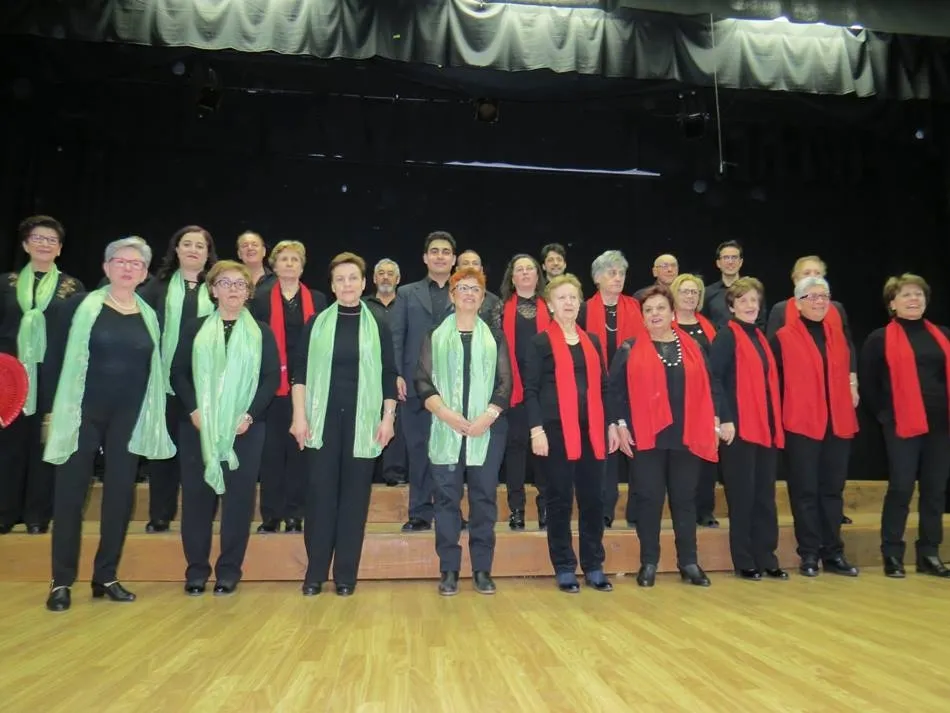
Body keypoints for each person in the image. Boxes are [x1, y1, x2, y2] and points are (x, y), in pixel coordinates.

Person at [42, 237, 173, 612]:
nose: (128, 268)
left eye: (136, 264)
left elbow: (152, 370)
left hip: (127, 418)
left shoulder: (150, 316)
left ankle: (106, 576)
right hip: (81, 413)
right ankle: (61, 581)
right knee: (70, 495)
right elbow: (54, 360)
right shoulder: (78, 307)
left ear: (144, 273)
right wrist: (51, 412)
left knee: (119, 496)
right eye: (120, 261)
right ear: (106, 267)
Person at [291, 253, 397, 596]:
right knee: (320, 498)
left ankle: (346, 575)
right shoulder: (316, 323)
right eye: (340, 279)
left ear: (363, 283)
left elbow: (388, 374)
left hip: (363, 423)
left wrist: (388, 419)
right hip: (320, 422)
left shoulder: (378, 324)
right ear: (332, 286)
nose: (347, 284)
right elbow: (300, 373)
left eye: (353, 278)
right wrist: (298, 416)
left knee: (354, 501)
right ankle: (315, 573)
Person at [172, 260, 279, 596]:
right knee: (197, 500)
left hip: (244, 429)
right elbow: (178, 372)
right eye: (225, 283)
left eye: (240, 284)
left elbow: (270, 378)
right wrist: (193, 409)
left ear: (248, 292)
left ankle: (229, 570)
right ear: (213, 290)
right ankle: (196, 571)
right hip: (198, 427)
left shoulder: (261, 332)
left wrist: (249, 415)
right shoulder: (194, 328)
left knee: (238, 503)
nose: (233, 289)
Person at [610, 285, 717, 587]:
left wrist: (715, 421)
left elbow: (711, 386)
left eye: (660, 308)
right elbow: (614, 392)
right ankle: (649, 563)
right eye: (648, 310)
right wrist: (619, 424)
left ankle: (689, 562)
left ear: (672, 313)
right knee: (649, 500)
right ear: (642, 317)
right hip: (646, 437)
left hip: (687, 434)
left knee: (685, 499)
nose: (655, 314)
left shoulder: (694, 347)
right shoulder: (629, 348)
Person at [415, 267, 512, 595]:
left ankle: (482, 569)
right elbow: (422, 381)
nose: (469, 294)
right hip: (446, 428)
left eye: (475, 289)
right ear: (452, 295)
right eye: (463, 288)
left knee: (484, 499)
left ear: (483, 298)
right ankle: (449, 570)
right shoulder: (434, 335)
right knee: (446, 500)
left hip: (487, 430)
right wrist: (446, 414)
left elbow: (505, 382)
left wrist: (488, 416)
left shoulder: (495, 336)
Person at [524, 274, 617, 593]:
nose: (568, 303)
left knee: (593, 500)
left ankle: (594, 565)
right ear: (550, 305)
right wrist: (536, 429)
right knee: (559, 500)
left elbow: (604, 387)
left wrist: (611, 424)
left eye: (573, 297)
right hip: (554, 433)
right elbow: (531, 390)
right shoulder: (539, 343)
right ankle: (564, 565)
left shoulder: (592, 341)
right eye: (561, 298)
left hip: (592, 433)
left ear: (580, 303)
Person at [859, 273, 950, 578]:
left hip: (942, 424)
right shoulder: (879, 338)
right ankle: (892, 553)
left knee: (935, 490)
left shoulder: (943, 334)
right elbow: (869, 383)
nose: (914, 299)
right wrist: (885, 416)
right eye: (906, 295)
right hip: (902, 425)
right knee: (901, 488)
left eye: (918, 294)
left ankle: (929, 553)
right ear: (892, 303)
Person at [0, 215, 84, 535]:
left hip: (53, 375)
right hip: (8, 377)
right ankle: (5, 512)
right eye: (38, 238)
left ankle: (37, 515)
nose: (44, 244)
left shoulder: (72, 288)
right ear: (25, 244)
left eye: (51, 240)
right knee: (8, 444)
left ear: (60, 248)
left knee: (44, 445)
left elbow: (78, 336)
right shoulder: (5, 284)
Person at [772, 276, 859, 577]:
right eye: (812, 296)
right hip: (802, 424)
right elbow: (774, 383)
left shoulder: (838, 336)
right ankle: (809, 553)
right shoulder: (783, 337)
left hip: (837, 424)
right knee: (805, 492)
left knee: (832, 491)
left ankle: (833, 552)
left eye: (824, 296)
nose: (820, 302)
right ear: (797, 303)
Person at [139, 226, 218, 533]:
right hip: (165, 384)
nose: (193, 250)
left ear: (208, 253)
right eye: (187, 244)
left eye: (200, 245)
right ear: (176, 249)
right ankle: (160, 514)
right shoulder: (157, 286)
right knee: (164, 451)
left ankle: (201, 515)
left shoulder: (218, 286)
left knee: (203, 453)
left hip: (206, 386)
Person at [709, 277, 788, 580]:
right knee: (742, 497)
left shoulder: (761, 338)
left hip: (765, 428)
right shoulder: (726, 336)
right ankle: (744, 560)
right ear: (732, 306)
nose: (750, 305)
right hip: (738, 430)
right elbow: (715, 380)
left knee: (765, 497)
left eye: (754, 300)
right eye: (743, 300)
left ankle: (767, 557)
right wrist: (725, 418)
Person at [249, 240, 327, 534]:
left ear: (302, 267)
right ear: (274, 265)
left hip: (307, 384)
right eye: (284, 259)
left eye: (295, 260)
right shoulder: (259, 299)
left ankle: (295, 514)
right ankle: (271, 515)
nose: (290, 264)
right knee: (271, 453)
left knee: (299, 452)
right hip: (271, 385)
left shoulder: (317, 299)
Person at [390, 231, 457, 532]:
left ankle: (450, 511)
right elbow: (397, 336)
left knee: (451, 452)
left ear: (453, 259)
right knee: (418, 450)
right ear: (425, 258)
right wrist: (397, 374)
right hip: (414, 383)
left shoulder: (464, 292)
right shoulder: (407, 293)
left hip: (453, 385)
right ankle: (419, 512)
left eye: (446, 252)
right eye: (435, 251)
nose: (440, 256)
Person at [580, 250, 643, 528]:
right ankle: (604, 510)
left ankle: (637, 511)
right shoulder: (584, 310)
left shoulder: (636, 307)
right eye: (612, 273)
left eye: (622, 273)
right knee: (605, 450)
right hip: (597, 389)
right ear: (597, 278)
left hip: (633, 389)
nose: (618, 278)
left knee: (636, 449)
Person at [491, 254, 549, 530]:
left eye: (530, 269)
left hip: (546, 388)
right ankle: (517, 509)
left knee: (545, 450)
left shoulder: (552, 306)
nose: (525, 273)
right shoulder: (500, 309)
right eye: (519, 270)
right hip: (513, 388)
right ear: (512, 278)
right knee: (516, 449)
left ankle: (545, 506)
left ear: (538, 275)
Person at [670, 273, 720, 528]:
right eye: (685, 291)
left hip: (704, 401)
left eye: (694, 292)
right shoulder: (664, 325)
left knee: (705, 457)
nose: (690, 296)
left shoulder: (708, 327)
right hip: (674, 401)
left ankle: (705, 510)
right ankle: (682, 510)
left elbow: (716, 368)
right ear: (674, 295)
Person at [366, 258, 407, 486]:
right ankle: (367, 472)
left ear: (398, 279)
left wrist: (400, 372)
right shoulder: (363, 304)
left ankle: (394, 474)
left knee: (397, 421)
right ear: (373, 278)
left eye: (390, 273)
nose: (385, 277)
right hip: (369, 373)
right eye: (381, 273)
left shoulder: (406, 304)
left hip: (399, 373)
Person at [704, 241, 766, 329]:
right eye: (726, 257)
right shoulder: (707, 293)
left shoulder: (753, 290)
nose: (730, 262)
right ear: (718, 263)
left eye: (734, 257)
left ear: (741, 262)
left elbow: (761, 323)